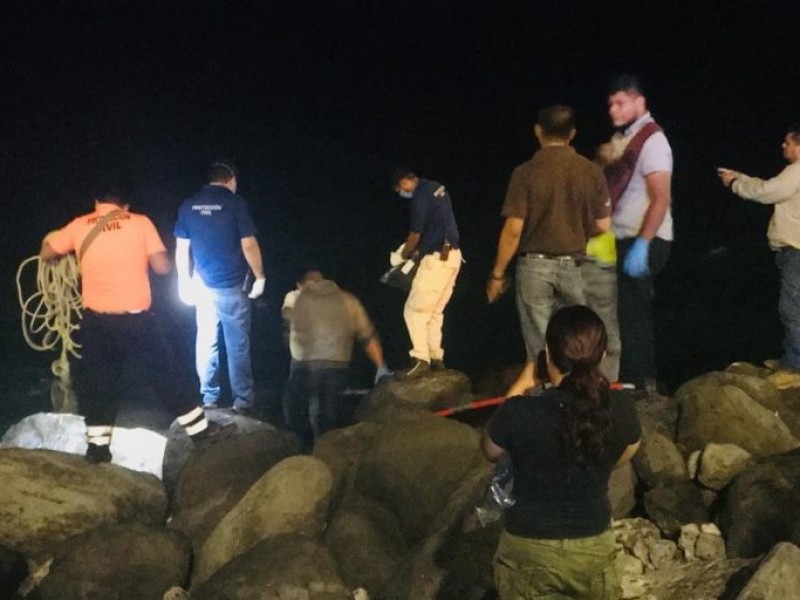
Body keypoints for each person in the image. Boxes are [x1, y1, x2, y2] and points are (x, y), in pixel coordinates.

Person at [40, 191, 225, 463]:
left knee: (99, 385)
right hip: (136, 320)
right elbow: (161, 267)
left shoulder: (79, 225)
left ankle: (98, 449)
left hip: (96, 322)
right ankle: (200, 433)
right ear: (125, 205)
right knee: (166, 375)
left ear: (96, 203)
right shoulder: (139, 222)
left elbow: (47, 253)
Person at [482, 305, 641, 599]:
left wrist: (521, 384)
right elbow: (626, 455)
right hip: (592, 548)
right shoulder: (621, 408)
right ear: (603, 355)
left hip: (529, 549)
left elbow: (491, 449)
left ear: (547, 353)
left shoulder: (519, 412)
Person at [487, 105, 611, 396]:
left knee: (541, 350)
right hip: (576, 265)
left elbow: (513, 230)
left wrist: (497, 273)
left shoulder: (525, 172)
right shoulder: (591, 172)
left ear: (538, 131)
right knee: (579, 343)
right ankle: (584, 401)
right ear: (573, 134)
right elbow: (603, 227)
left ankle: (545, 406)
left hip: (534, 266)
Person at [174, 160, 265, 415]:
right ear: (231, 180)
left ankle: (209, 398)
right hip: (232, 286)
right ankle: (242, 402)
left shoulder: (188, 205)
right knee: (237, 344)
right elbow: (249, 244)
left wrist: (183, 282)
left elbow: (182, 249)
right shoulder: (236, 204)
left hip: (202, 285)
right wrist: (260, 277)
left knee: (206, 342)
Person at [605, 74, 673, 389]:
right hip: (618, 238)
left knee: (633, 310)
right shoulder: (626, 139)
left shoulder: (653, 140)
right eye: (610, 104)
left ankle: (638, 380)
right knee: (616, 307)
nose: (613, 110)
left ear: (639, 102)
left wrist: (643, 243)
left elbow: (661, 197)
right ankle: (622, 375)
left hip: (645, 238)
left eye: (620, 103)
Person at [719, 125, 800, 371]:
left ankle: (795, 365)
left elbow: (767, 192)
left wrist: (734, 184)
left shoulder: (796, 170)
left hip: (795, 251)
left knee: (792, 307)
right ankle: (792, 359)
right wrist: (741, 177)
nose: (783, 146)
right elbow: (771, 186)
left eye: (788, 142)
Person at [281, 270, 391, 447]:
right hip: (337, 365)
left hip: (304, 364)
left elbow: (286, 320)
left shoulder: (295, 297)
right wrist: (380, 366)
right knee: (328, 414)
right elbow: (367, 336)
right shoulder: (349, 300)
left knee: (295, 410)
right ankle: (325, 450)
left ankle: (302, 449)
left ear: (302, 284)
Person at [391, 167, 462, 378]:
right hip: (453, 257)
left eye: (399, 189)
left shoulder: (420, 194)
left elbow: (416, 233)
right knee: (434, 312)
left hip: (436, 259)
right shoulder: (437, 187)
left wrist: (404, 255)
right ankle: (436, 359)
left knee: (414, 311)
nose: (401, 193)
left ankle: (420, 359)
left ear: (405, 181)